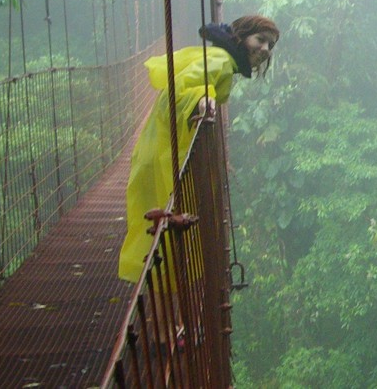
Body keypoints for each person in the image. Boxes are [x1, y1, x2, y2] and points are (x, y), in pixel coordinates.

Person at [118, 15, 279, 284]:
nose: (265, 50)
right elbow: (176, 93)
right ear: (240, 37)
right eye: (260, 40)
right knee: (169, 239)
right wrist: (201, 98)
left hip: (160, 148)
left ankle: (162, 307)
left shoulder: (222, 60)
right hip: (162, 152)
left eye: (270, 45)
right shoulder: (220, 62)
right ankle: (164, 315)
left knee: (163, 237)